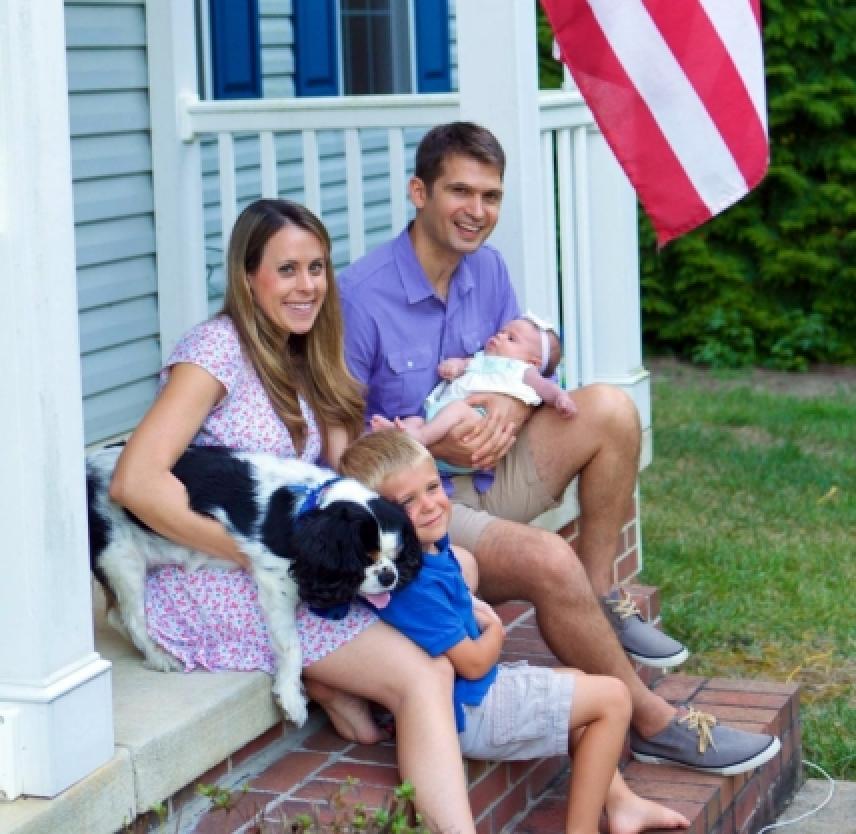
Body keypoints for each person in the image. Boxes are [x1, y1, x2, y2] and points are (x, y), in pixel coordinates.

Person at [339, 122, 781, 774]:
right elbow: (341, 453)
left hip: (491, 472)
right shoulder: (360, 296)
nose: (477, 210)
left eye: (491, 195)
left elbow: (520, 370)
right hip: (419, 510)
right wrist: (420, 449)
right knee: (549, 558)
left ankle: (600, 593)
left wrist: (512, 410)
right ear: (419, 192)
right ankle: (654, 723)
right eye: (460, 191)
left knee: (612, 410)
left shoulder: (487, 269)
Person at [109, 198, 479, 833]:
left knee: (458, 565)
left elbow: (339, 474)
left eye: (316, 267)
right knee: (425, 677)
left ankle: (341, 689)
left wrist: (417, 449)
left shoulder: (303, 351)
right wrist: (246, 551)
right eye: (286, 270)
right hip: (212, 575)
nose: (307, 285)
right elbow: (134, 481)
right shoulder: (215, 352)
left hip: (292, 558)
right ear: (247, 276)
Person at [339, 431, 690, 834]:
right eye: (407, 502)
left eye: (432, 487)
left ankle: (622, 804)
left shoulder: (427, 548)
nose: (429, 505)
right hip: (472, 710)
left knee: (578, 683)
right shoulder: (414, 583)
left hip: (474, 696)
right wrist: (495, 631)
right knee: (613, 698)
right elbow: (472, 664)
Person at [370, 313, 577, 478]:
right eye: (502, 332)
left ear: (533, 362)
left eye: (511, 338)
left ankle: (420, 438)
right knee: (416, 419)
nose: (500, 336)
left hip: (475, 429)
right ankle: (398, 434)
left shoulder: (521, 370)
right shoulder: (480, 359)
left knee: (458, 409)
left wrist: (560, 398)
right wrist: (454, 366)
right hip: (442, 426)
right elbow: (462, 364)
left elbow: (545, 387)